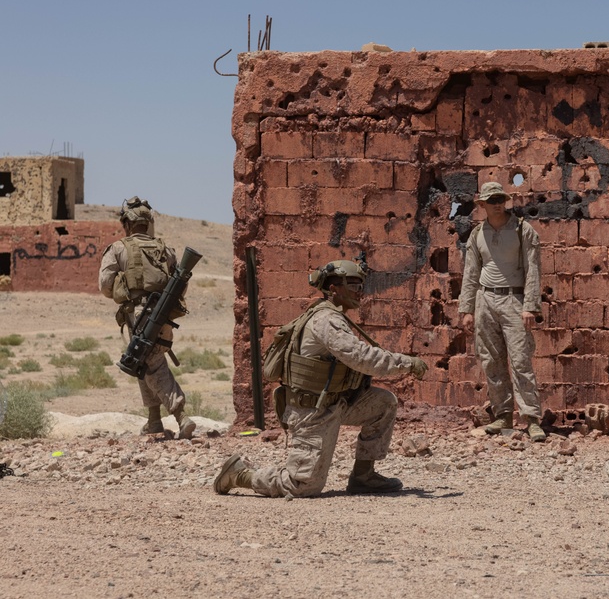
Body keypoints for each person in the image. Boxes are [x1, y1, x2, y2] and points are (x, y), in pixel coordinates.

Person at [214, 259, 428, 497]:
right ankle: (239, 474)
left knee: (383, 404)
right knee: (302, 486)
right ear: (334, 288)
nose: (360, 292)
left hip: (336, 402)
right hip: (312, 411)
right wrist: (406, 363)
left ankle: (364, 476)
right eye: (354, 286)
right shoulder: (326, 320)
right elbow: (360, 357)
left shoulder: (333, 316)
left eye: (361, 286)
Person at [98, 196, 196, 439]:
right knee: (141, 362)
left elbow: (105, 285)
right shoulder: (165, 249)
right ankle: (153, 421)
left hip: (139, 317)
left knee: (150, 363)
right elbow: (180, 285)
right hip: (163, 316)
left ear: (127, 224)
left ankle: (181, 416)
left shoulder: (119, 248)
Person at [458, 181, 546, 442]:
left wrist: (530, 306)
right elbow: (471, 272)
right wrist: (467, 309)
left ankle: (531, 419)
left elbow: (533, 270)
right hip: (485, 300)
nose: (498, 204)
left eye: (501, 199)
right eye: (492, 200)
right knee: (491, 361)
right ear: (482, 204)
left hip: (514, 300)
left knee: (520, 360)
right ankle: (503, 415)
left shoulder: (522, 230)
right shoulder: (477, 234)